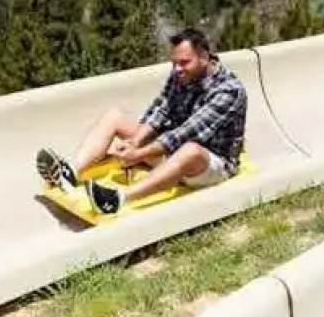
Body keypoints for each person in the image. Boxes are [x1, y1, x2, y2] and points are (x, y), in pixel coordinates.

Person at [36, 27, 248, 215]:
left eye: (184, 63)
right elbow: (160, 110)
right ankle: (71, 172)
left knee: (190, 149)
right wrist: (134, 143)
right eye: (174, 63)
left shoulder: (229, 90)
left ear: (204, 56)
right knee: (114, 117)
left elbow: (186, 133)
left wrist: (138, 155)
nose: (177, 69)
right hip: (173, 150)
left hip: (210, 163)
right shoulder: (180, 75)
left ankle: (118, 199)